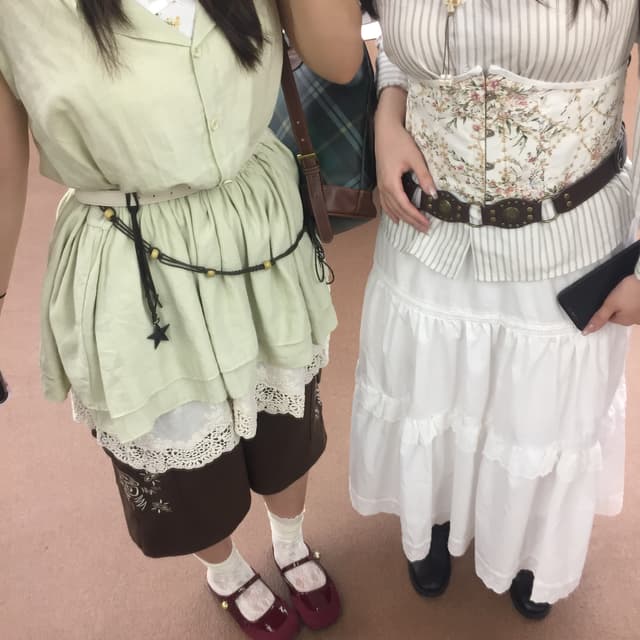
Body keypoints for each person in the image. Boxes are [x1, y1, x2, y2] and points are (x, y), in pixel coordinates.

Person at [0, 2, 363, 638]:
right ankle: (225, 571)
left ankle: (290, 541)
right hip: (133, 255)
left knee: (286, 423)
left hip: (259, 229)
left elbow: (340, 59)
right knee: (181, 454)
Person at [352, 0, 640, 619]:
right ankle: (432, 515)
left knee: (538, 414)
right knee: (433, 392)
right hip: (428, 233)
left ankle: (532, 547)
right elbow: (399, 43)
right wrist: (388, 113)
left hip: (567, 246)